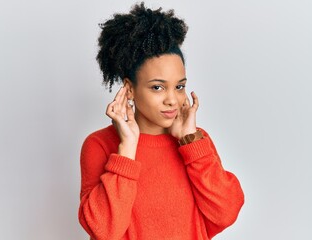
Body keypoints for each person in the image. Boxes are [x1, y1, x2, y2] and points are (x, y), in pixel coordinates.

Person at [78, 2, 244, 239]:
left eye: (179, 86)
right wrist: (127, 150)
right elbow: (103, 230)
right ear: (130, 89)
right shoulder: (100, 145)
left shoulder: (195, 141)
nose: (172, 100)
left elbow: (225, 214)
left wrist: (191, 142)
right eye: (157, 87)